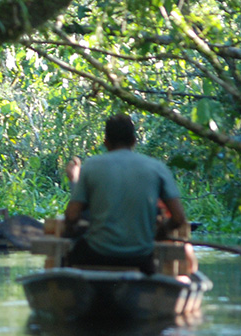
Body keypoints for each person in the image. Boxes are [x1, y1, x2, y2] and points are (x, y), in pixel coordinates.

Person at [63, 113, 197, 275]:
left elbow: (71, 216)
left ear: (106, 142)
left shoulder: (91, 166)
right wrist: (159, 233)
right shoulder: (157, 168)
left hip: (97, 253)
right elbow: (178, 218)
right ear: (134, 141)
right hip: (140, 256)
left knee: (67, 256)